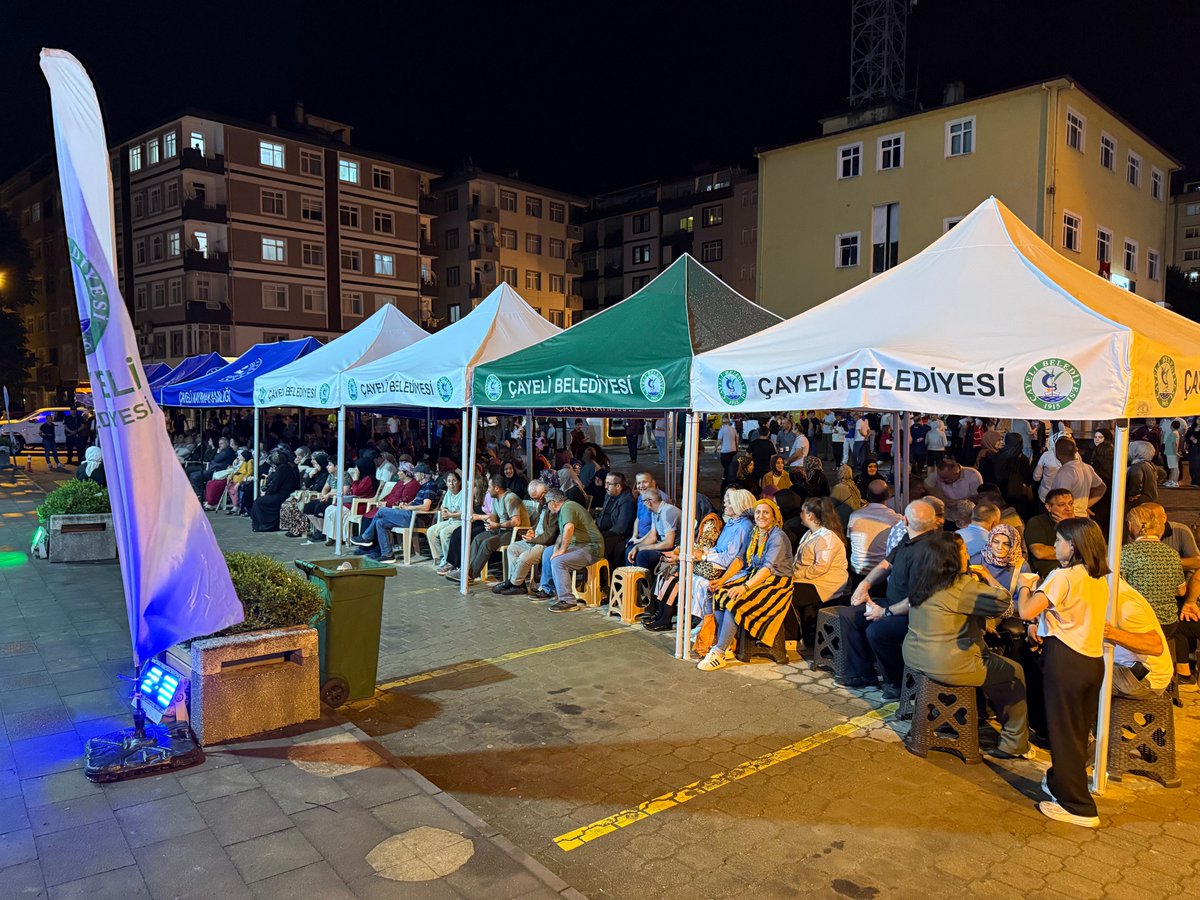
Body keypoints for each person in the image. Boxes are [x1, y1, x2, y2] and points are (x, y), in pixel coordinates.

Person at [1014, 518, 1110, 828]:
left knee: (1064, 733)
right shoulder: (1099, 576)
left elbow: (1026, 611)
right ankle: (1060, 782)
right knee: (1077, 730)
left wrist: (1026, 585)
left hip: (1067, 659)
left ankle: (1078, 806)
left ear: (1073, 544)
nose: (1055, 546)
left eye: (1059, 540)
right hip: (1091, 660)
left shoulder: (1062, 576)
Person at [902, 532, 1032, 758]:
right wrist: (992, 577)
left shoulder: (925, 576)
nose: (967, 555)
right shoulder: (962, 586)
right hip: (947, 664)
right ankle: (1014, 743)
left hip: (914, 654)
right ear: (951, 557)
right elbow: (1004, 603)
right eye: (962, 551)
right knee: (1015, 672)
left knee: (991, 662)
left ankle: (963, 714)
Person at [841, 499, 940, 697]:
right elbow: (886, 564)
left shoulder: (931, 550)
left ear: (904, 520)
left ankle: (898, 682)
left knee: (878, 631)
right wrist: (864, 585)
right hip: (893, 603)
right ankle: (862, 674)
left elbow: (919, 597)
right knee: (849, 615)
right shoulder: (908, 539)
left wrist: (884, 612)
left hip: (915, 613)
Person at [699, 498, 795, 670]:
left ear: (774, 517)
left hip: (776, 584)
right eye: (758, 512)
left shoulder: (777, 537)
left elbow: (767, 570)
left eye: (766, 512)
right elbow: (740, 559)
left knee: (735, 601)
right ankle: (726, 645)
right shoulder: (755, 533)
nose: (761, 516)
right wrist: (722, 581)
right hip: (755, 577)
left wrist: (744, 587)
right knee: (720, 594)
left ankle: (719, 652)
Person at [1120, 505, 1187, 668]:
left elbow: (1117, 587)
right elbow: (1181, 590)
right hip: (1168, 624)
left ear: (1131, 526)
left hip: (1140, 624)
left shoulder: (1126, 552)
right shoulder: (1172, 553)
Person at [688, 488, 757, 623]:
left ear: (739, 505)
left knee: (703, 583)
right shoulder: (731, 523)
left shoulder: (744, 527)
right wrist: (704, 553)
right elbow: (719, 549)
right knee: (692, 578)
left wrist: (704, 556)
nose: (725, 505)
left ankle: (703, 622)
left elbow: (729, 558)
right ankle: (698, 619)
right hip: (721, 563)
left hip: (733, 570)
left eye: (730, 503)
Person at [792, 497, 850, 648]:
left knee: (787, 592)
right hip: (808, 579)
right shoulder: (810, 534)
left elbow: (820, 568)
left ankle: (798, 637)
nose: (800, 515)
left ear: (810, 515)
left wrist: (796, 575)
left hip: (825, 584)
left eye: (802, 512)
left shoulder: (827, 538)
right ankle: (795, 635)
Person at [446, 474, 528, 582]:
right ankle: (465, 570)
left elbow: (516, 522)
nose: (488, 490)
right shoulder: (495, 498)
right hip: (501, 530)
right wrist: (491, 522)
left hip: (515, 533)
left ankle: (470, 575)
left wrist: (497, 525)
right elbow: (494, 515)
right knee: (477, 539)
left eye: (489, 487)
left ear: (497, 488)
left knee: (487, 543)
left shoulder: (510, 498)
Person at [352, 463, 440, 562]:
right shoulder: (423, 486)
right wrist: (406, 505)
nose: (414, 475)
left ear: (422, 475)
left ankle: (366, 537)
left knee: (381, 511)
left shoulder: (430, 486)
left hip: (415, 517)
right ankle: (387, 554)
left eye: (416, 474)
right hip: (410, 515)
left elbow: (426, 507)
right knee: (380, 522)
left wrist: (409, 508)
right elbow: (417, 502)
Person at [1106, 580, 1173, 700]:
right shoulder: (1105, 590)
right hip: (1122, 667)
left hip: (1144, 678)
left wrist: (1110, 632)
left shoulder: (1122, 599)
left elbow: (1155, 646)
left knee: (1071, 678)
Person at [540, 488, 604, 613]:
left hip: (591, 548)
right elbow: (562, 534)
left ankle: (568, 600)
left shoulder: (568, 507)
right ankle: (548, 589)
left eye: (547, 504)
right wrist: (557, 549)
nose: (548, 507)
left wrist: (562, 551)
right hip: (579, 546)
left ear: (553, 502)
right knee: (548, 552)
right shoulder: (565, 509)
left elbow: (569, 528)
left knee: (558, 562)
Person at [496, 480, 559, 597]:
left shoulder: (552, 506)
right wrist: (532, 530)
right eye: (533, 499)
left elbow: (550, 535)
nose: (536, 501)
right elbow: (540, 523)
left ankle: (512, 583)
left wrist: (533, 539)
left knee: (524, 557)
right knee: (512, 548)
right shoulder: (542, 504)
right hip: (536, 539)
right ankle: (518, 585)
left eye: (537, 498)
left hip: (545, 544)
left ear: (544, 493)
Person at [847, 479, 904, 588]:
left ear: (867, 495)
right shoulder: (896, 519)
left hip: (858, 573)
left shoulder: (854, 516)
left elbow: (851, 541)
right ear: (888, 495)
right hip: (882, 575)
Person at [1025, 488, 1075, 580]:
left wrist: (1068, 526)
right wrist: (1076, 552)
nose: (1068, 508)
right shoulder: (1037, 522)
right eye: (1062, 505)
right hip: (1051, 574)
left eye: (1070, 504)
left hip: (1075, 571)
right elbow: (1040, 552)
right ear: (1048, 507)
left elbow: (1091, 550)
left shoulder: (1079, 524)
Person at [626, 489, 680, 571]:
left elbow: (669, 543)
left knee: (642, 555)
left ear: (648, 502)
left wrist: (642, 548)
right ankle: (632, 580)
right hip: (665, 545)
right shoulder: (654, 512)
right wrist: (638, 547)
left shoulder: (667, 511)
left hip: (676, 549)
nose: (643, 504)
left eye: (643, 502)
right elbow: (652, 537)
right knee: (631, 549)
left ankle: (645, 583)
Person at [1050, 438, 1105, 517]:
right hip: (1083, 517)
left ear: (1057, 453)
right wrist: (1085, 506)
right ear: (1076, 451)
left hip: (1069, 518)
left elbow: (1061, 499)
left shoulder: (1065, 472)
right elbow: (1101, 488)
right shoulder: (1087, 467)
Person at [593, 471, 636, 573]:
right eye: (605, 483)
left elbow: (621, 527)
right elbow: (602, 514)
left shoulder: (626, 500)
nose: (605, 486)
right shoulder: (609, 495)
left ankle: (604, 577)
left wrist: (602, 535)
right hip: (603, 531)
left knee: (598, 546)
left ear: (618, 486)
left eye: (609, 484)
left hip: (618, 535)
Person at [250, 450, 300, 532]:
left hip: (283, 494)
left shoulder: (282, 468)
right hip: (284, 493)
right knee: (260, 501)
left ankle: (265, 525)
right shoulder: (286, 467)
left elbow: (275, 484)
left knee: (259, 502)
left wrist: (267, 492)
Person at [426, 471, 465, 569]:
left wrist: (451, 514)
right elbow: (444, 506)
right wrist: (444, 510)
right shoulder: (448, 493)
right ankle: (442, 557)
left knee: (444, 533)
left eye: (454, 481)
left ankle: (450, 561)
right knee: (431, 531)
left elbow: (465, 513)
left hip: (461, 521)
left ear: (459, 482)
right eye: (449, 481)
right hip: (451, 520)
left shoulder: (463, 494)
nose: (451, 484)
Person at [1125, 440, 1160, 508]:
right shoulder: (1149, 464)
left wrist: (1132, 495)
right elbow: (1162, 474)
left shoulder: (1137, 466)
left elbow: (1136, 480)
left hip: (1140, 501)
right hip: (1151, 498)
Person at [829, 464, 865, 529]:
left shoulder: (839, 487)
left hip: (844, 520)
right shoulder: (853, 485)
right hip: (855, 517)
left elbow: (831, 504)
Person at [745, 429, 775, 494]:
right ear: (768, 434)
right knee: (766, 485)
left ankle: (755, 495)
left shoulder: (754, 442)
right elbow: (773, 457)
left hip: (755, 467)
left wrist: (752, 460)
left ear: (758, 433)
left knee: (754, 483)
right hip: (766, 468)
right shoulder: (770, 444)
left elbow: (747, 454)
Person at [1164, 419, 1183, 487]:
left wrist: (1175, 452)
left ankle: (1174, 481)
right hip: (1170, 453)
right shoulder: (1175, 433)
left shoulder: (1174, 433)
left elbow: (1174, 444)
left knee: (1174, 468)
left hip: (1171, 453)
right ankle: (1171, 480)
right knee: (1173, 467)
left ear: (1171, 426)